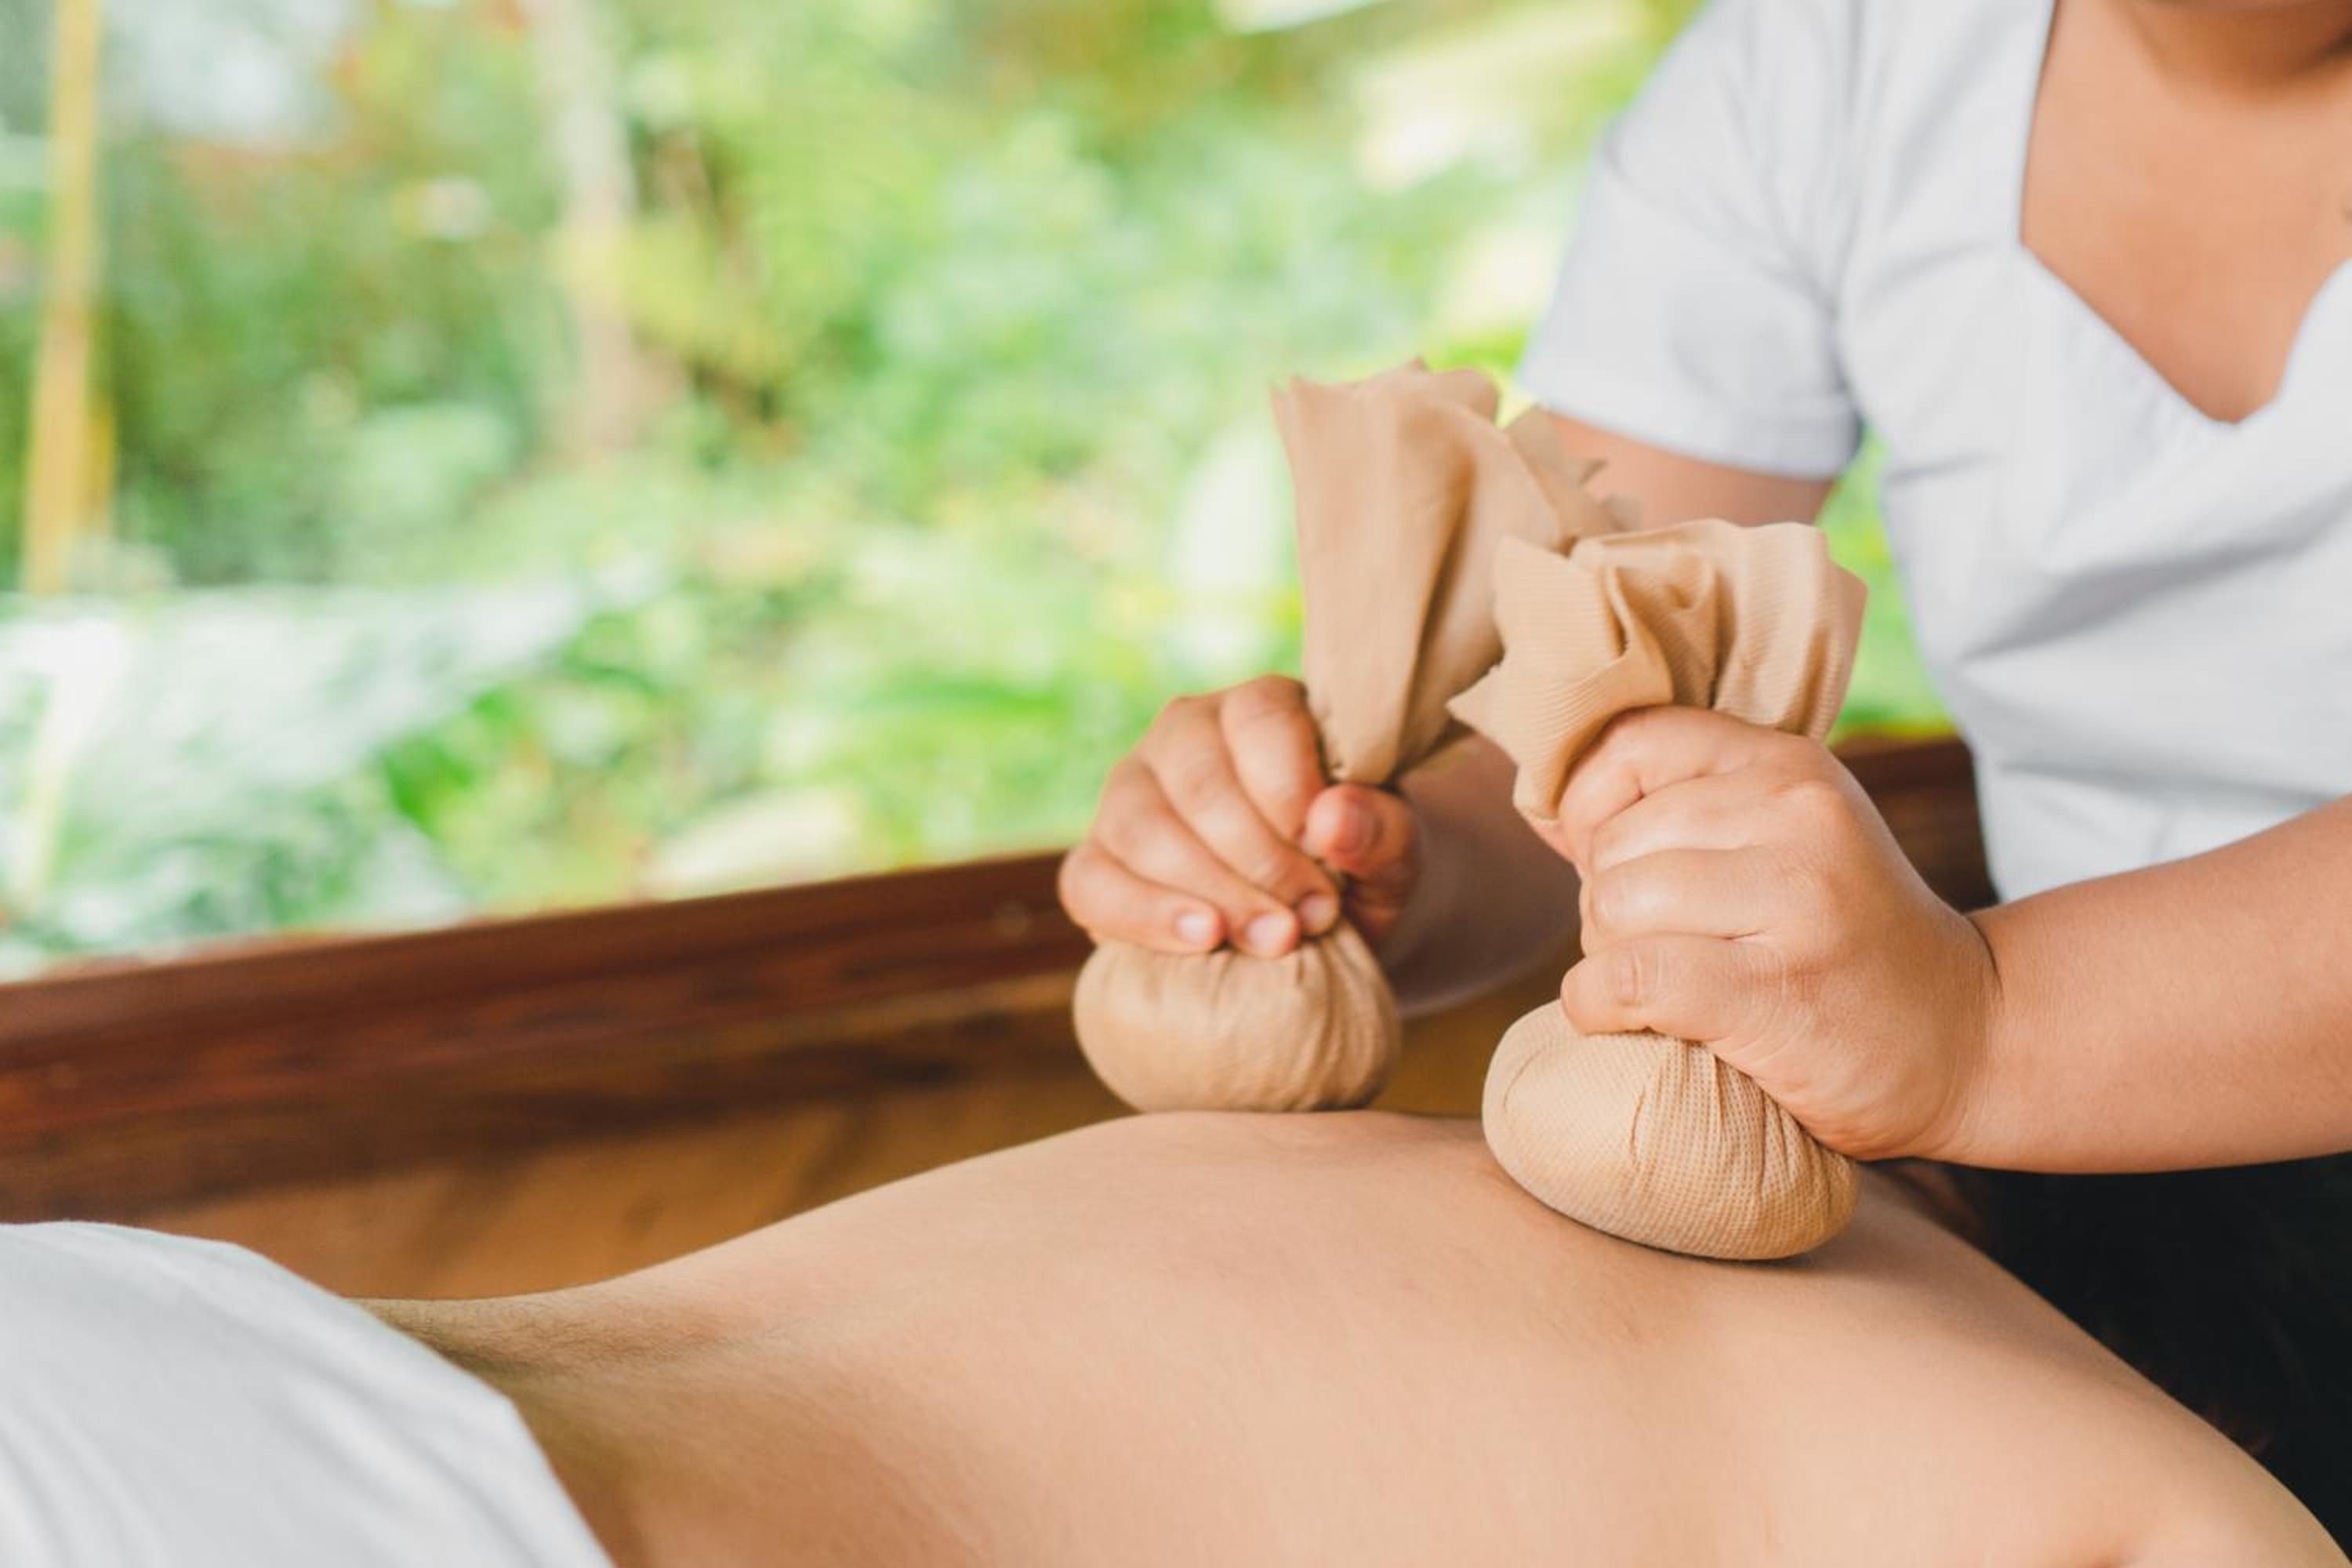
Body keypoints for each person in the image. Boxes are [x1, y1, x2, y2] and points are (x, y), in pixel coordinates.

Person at [1057, 0, 2352, 1532]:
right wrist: (1368, 854)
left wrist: (1982, 1019)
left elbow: (1974, 1026)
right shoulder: (1835, 61)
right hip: (2051, 1139)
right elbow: (1594, 671)